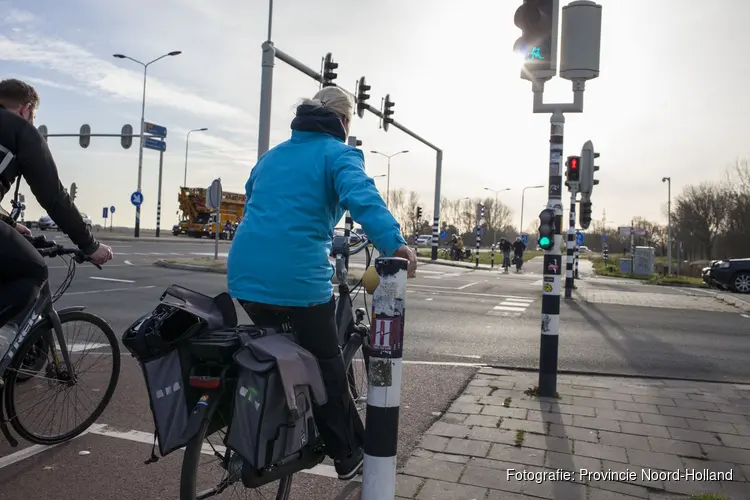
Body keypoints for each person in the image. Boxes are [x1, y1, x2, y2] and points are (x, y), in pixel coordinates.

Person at [226, 86, 417, 480]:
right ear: (343, 122)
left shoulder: (271, 157)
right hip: (295, 278)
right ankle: (348, 456)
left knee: (276, 348)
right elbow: (362, 198)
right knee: (326, 366)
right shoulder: (338, 154)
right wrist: (394, 243)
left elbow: (258, 202)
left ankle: (257, 424)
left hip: (244, 273)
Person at [0, 79, 114, 354]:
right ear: (27, 110)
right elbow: (53, 195)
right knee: (34, 270)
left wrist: (9, 223)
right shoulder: (20, 130)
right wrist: (90, 245)